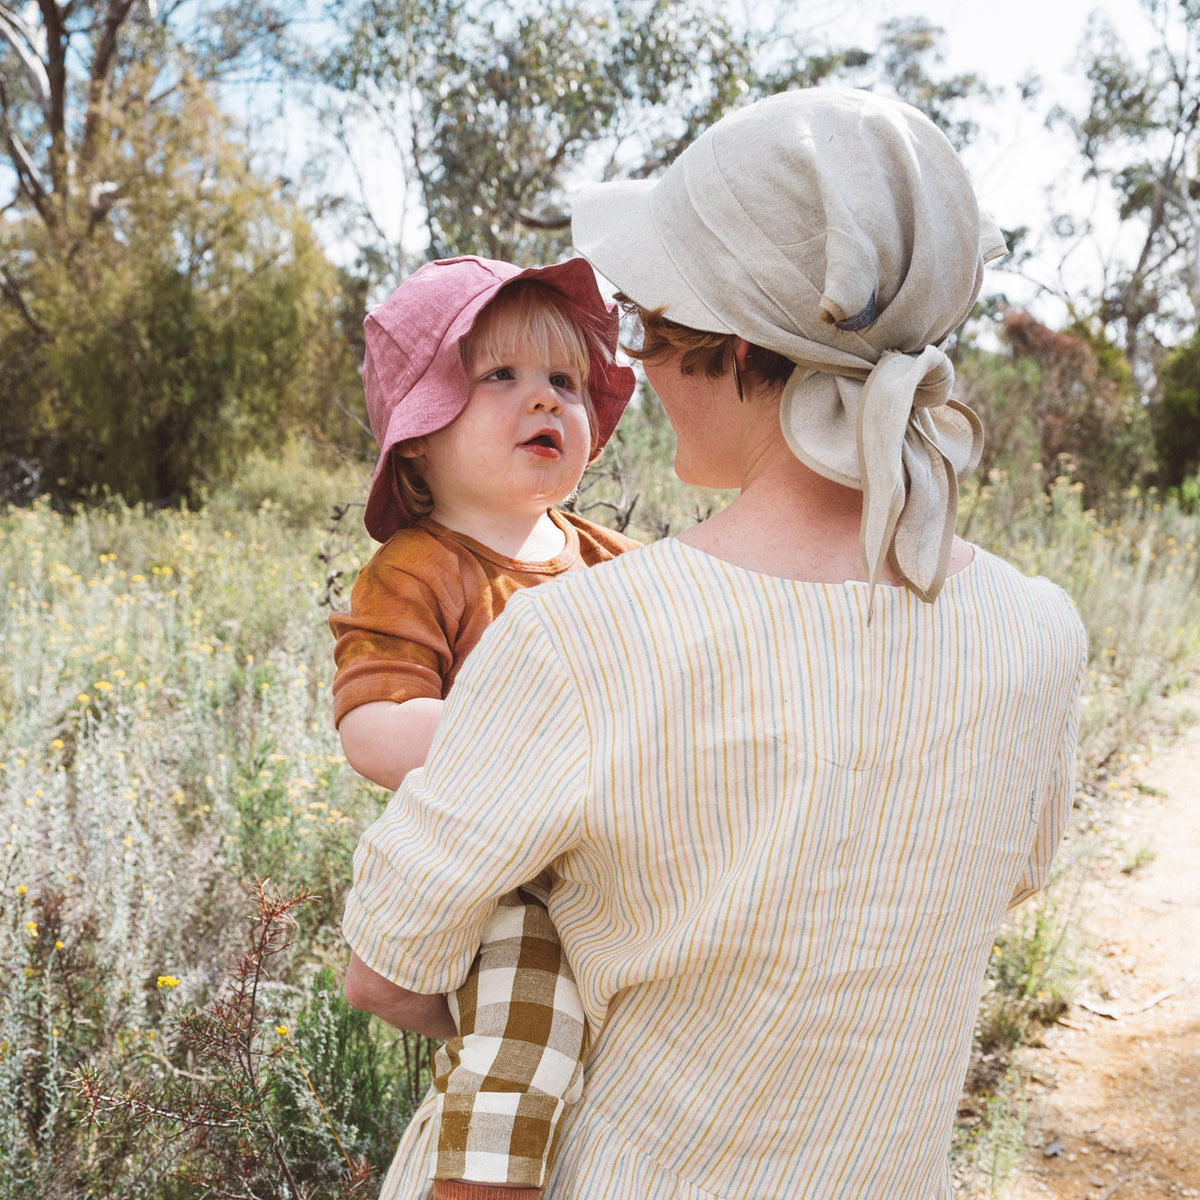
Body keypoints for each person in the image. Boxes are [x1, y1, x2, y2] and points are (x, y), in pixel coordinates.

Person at [343, 89, 1088, 1199]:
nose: (631, 370)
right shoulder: (1039, 634)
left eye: (642, 329)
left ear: (730, 343)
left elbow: (386, 977)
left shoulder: (582, 643)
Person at [331, 255, 638, 1198]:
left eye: (565, 381)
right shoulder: (421, 569)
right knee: (525, 1043)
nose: (543, 400)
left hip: (611, 854)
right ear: (419, 439)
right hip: (500, 874)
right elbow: (375, 726)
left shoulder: (612, 558)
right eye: (498, 376)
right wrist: (530, 734)